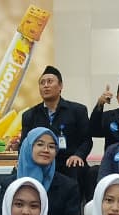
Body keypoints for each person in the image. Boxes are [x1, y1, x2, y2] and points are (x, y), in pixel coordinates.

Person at [14, 66, 93, 200]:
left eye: (50, 81)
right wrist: (22, 159)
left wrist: (78, 155)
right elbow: (24, 144)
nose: (46, 86)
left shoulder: (77, 110)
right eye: (42, 83)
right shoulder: (30, 115)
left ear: (60, 86)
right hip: (40, 161)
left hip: (68, 161)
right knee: (17, 173)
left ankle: (74, 210)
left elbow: (86, 140)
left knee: (78, 170)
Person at [0, 128, 82, 215]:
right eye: (40, 144)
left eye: (51, 146)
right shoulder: (10, 184)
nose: (46, 150)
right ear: (28, 147)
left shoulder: (68, 186)